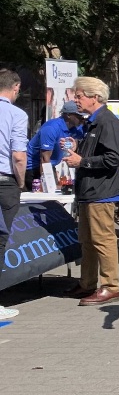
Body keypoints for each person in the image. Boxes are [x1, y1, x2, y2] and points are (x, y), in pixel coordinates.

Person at [61, 77, 119, 307]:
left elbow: (112, 158)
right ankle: (87, 282)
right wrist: (78, 148)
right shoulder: (92, 122)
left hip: (102, 191)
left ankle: (110, 286)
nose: (75, 100)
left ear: (95, 97)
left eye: (79, 96)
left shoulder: (107, 121)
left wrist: (82, 160)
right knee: (87, 240)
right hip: (90, 190)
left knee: (103, 240)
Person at [0, 69, 28, 320]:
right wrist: (21, 182)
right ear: (16, 87)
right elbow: (19, 155)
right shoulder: (16, 114)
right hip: (4, 181)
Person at [28, 100, 85, 185]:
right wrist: (49, 185)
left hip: (50, 165)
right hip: (33, 168)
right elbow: (44, 159)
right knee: (48, 193)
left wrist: (75, 144)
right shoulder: (51, 128)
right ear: (69, 115)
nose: (82, 119)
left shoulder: (75, 127)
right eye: (79, 116)